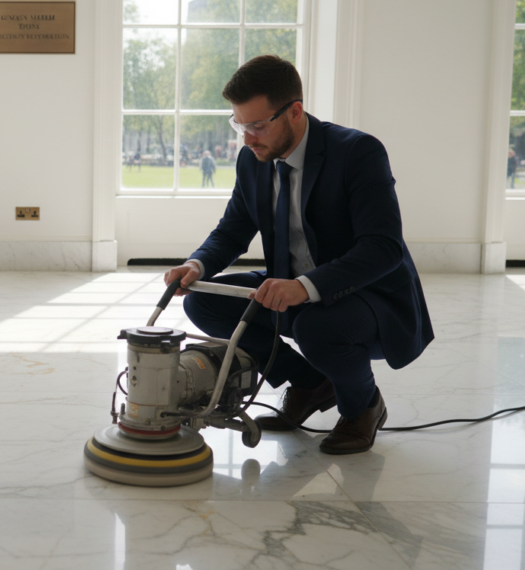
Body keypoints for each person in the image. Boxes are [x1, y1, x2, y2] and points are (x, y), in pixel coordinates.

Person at [164, 55, 433, 455]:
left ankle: (363, 407)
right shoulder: (252, 159)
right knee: (204, 303)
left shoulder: (358, 152)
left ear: (294, 111)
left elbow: (384, 247)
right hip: (293, 286)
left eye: (257, 125)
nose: (247, 138)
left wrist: (305, 288)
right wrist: (195, 265)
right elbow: (234, 229)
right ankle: (309, 383)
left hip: (371, 297)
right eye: (239, 124)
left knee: (315, 325)